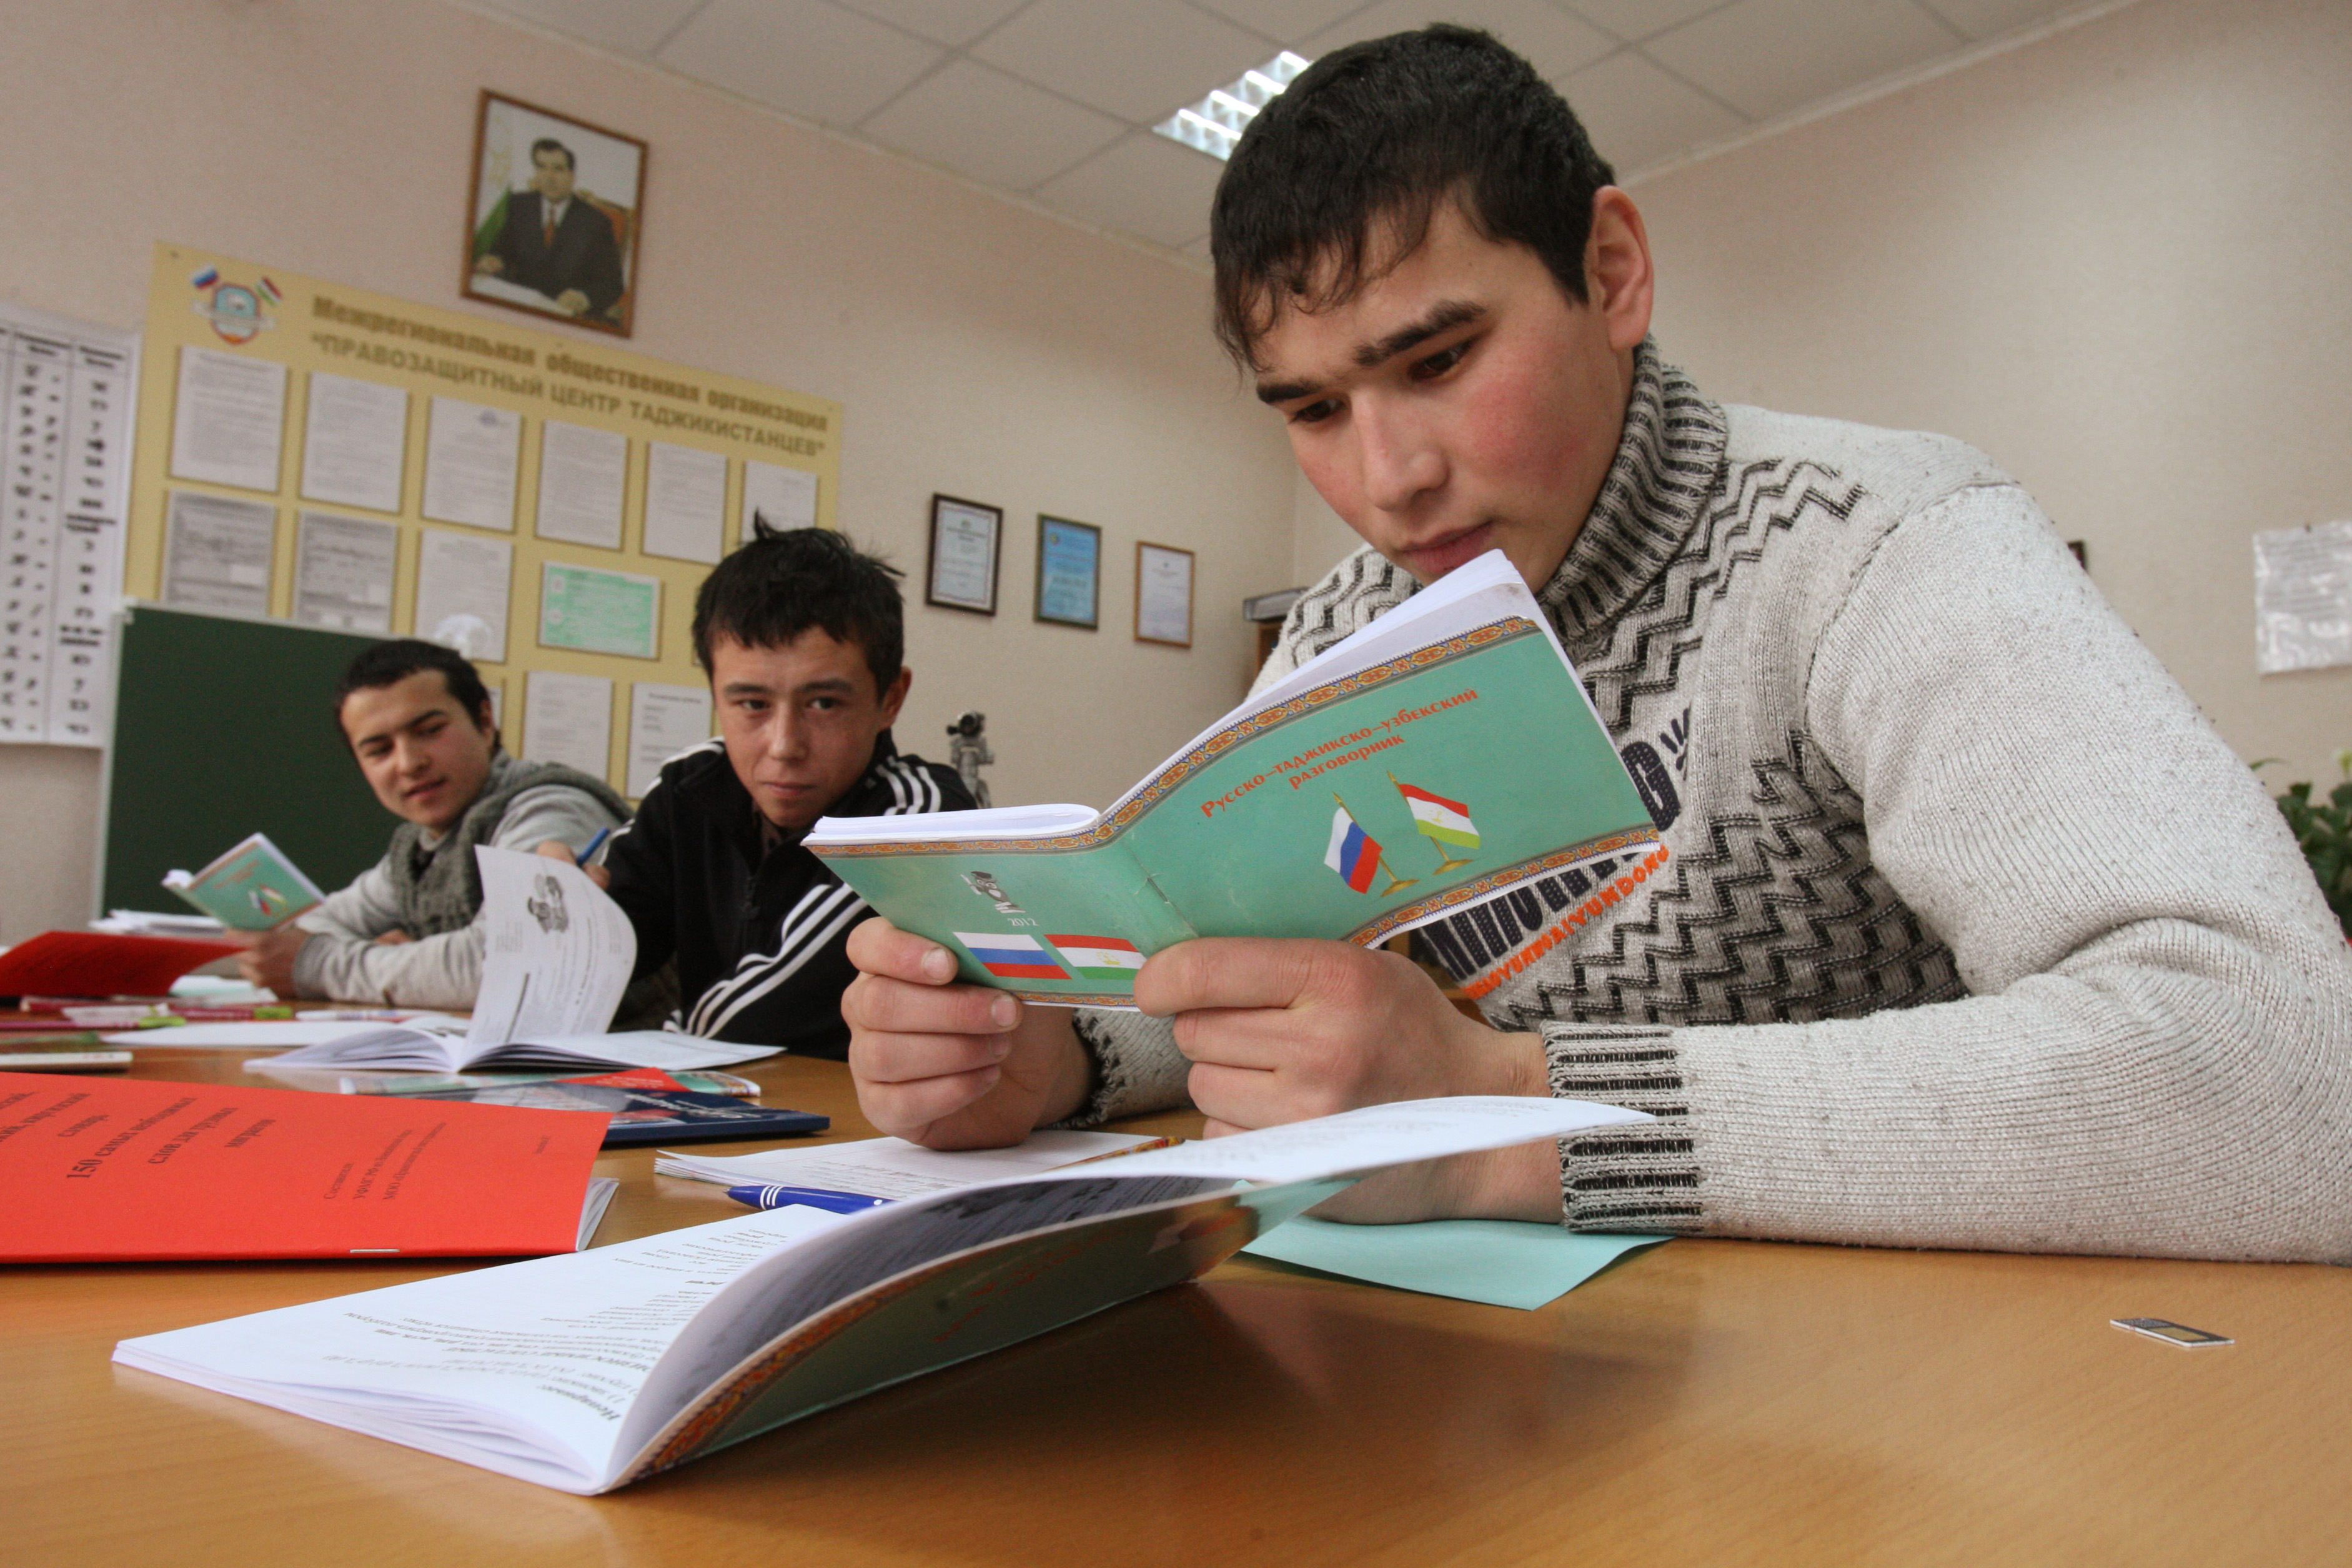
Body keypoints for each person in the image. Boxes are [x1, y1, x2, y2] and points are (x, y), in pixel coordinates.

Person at [841, 26, 2352, 1263]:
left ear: (1612, 272)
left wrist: (1512, 1106)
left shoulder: (1871, 544)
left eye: (1438, 360)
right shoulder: (1342, 630)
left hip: (1910, 1415)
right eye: (1310, 409)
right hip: (1487, 1398)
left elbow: (2285, 1073)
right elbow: (1287, 1006)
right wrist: (1051, 1058)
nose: (1385, 479)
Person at [585, 523, 973, 1056]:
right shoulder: (691, 785)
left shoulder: (920, 818)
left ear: (890, 698)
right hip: (718, 1090)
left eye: (824, 704)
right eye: (752, 704)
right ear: (715, 693)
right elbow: (600, 956)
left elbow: (748, 1019)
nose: (785, 746)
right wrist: (557, 911)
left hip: (844, 1102)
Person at [236, 640, 629, 1010]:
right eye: (379, 750)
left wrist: (322, 966)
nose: (409, 763)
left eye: (429, 731)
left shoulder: (552, 809)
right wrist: (410, 965)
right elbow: (314, 926)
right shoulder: (415, 852)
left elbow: (509, 962)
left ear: (484, 721)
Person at [472, 137, 627, 321]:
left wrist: (584, 298)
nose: (549, 177)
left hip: (562, 315)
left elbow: (612, 285)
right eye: (541, 167)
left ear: (572, 176)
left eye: (558, 169)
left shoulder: (596, 222)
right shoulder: (519, 204)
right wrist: (494, 260)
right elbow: (502, 251)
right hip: (516, 307)